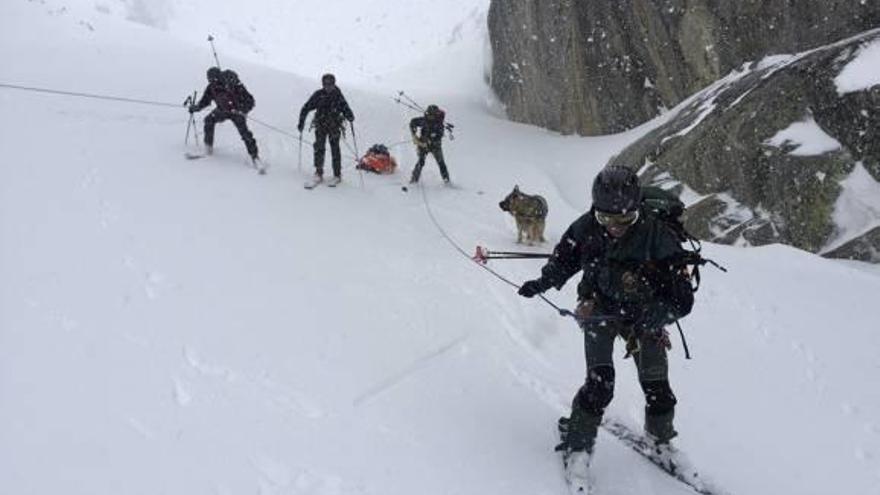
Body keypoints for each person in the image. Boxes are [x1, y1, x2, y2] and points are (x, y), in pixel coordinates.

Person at [517, 166, 695, 475]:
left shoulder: (657, 234)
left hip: (643, 316)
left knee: (658, 388)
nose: (615, 227)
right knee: (601, 385)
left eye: (624, 220)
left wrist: (651, 314)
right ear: (595, 211)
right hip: (598, 309)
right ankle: (577, 447)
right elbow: (563, 262)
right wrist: (541, 284)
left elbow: (682, 299)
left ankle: (661, 441)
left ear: (637, 210)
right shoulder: (585, 228)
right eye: (606, 219)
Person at [189, 67, 259, 161]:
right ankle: (208, 148)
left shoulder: (233, 84)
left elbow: (250, 101)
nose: (212, 81)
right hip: (222, 110)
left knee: (245, 133)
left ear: (218, 76)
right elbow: (205, 101)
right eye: (209, 79)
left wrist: (242, 110)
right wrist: (196, 108)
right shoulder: (211, 87)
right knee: (209, 120)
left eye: (213, 79)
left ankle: (254, 156)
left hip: (237, 112)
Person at [297, 73, 355, 185]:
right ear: (323, 84)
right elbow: (306, 107)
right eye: (326, 84)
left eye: (330, 84)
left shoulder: (338, 95)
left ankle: (337, 175)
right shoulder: (318, 95)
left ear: (334, 84)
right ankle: (319, 172)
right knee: (319, 148)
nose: (328, 87)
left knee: (335, 150)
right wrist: (301, 122)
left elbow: (345, 108)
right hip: (320, 125)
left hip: (334, 126)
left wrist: (350, 116)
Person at [409, 104, 450, 184]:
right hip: (423, 144)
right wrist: (414, 132)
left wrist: (432, 140)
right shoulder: (424, 120)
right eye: (428, 114)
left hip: (436, 146)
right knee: (421, 161)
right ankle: (414, 179)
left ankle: (446, 180)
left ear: (435, 115)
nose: (429, 117)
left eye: (431, 115)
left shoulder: (439, 124)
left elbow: (440, 135)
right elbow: (413, 122)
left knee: (441, 162)